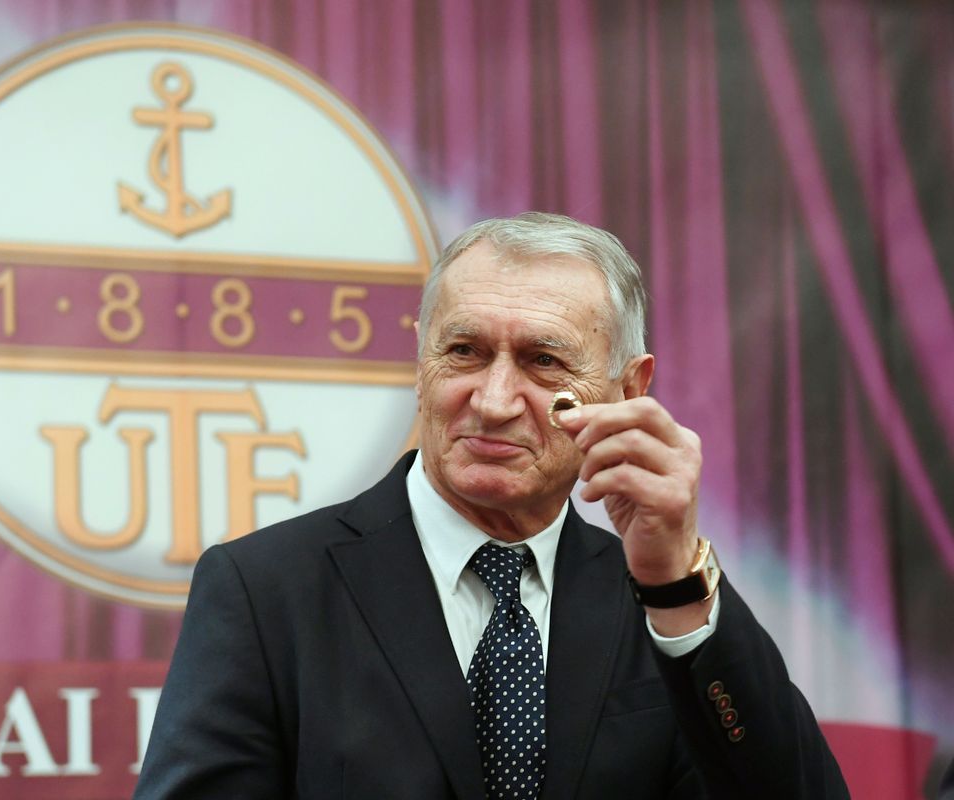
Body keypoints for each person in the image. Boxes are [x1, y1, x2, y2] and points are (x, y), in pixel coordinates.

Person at [133, 212, 850, 799]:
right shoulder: (267, 590)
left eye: (544, 361)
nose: (495, 400)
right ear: (421, 363)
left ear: (629, 390)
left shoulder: (660, 600)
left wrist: (674, 587)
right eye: (465, 352)